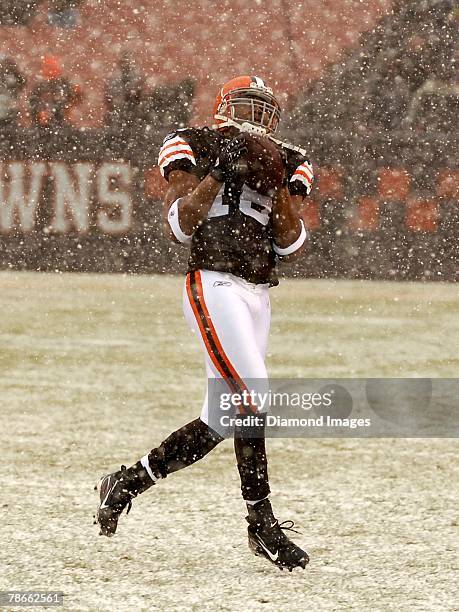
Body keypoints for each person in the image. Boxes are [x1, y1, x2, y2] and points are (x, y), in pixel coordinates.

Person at [95, 76, 314, 572]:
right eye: (247, 108)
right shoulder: (191, 142)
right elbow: (181, 223)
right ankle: (261, 521)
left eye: (264, 111)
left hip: (259, 292)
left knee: (222, 417)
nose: (256, 119)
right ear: (223, 107)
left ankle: (125, 483)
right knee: (253, 394)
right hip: (213, 281)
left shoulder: (292, 158)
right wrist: (221, 167)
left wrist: (275, 176)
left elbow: (289, 242)